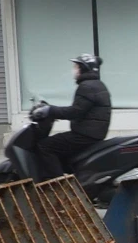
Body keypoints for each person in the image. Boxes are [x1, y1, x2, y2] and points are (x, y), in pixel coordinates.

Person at [33, 53, 111, 181]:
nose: (73, 70)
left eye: (76, 67)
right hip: (92, 134)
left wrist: (50, 110)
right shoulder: (96, 84)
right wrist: (51, 110)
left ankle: (59, 185)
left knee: (45, 146)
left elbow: (75, 112)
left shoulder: (87, 86)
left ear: (84, 69)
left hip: (84, 135)